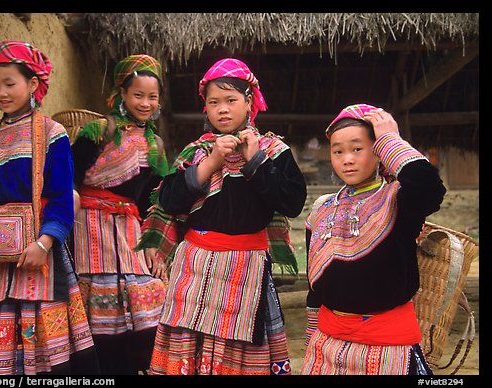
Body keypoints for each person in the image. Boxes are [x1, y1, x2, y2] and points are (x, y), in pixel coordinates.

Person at [139, 58, 307, 375]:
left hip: (248, 269)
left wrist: (255, 160)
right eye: (214, 102)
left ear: (250, 103)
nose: (223, 109)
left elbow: (291, 202)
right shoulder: (197, 151)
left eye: (231, 100)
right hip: (196, 269)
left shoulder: (272, 149)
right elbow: (170, 200)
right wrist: (213, 160)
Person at [0, 40, 98, 375]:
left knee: (43, 354)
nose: (1, 92)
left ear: (32, 84)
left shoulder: (52, 134)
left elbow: (62, 193)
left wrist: (44, 242)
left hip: (37, 252)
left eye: (9, 83)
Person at [300, 104, 446, 375]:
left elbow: (429, 188)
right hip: (327, 348)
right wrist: (311, 337)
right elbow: (314, 285)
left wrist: (389, 138)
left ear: (378, 152)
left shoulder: (399, 199)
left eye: (358, 149)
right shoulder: (321, 209)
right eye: (338, 151)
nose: (347, 159)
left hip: (388, 350)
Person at [70, 54, 170, 375]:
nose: (145, 102)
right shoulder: (99, 130)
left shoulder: (156, 145)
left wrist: (157, 244)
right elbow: (68, 177)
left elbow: (158, 198)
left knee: (145, 310)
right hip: (89, 227)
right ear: (122, 94)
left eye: (152, 96)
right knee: (98, 319)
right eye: (138, 95)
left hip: (130, 230)